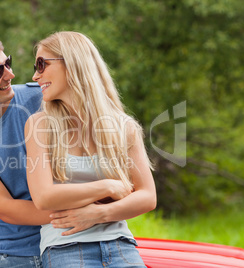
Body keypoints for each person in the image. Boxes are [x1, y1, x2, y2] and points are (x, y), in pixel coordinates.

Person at [0, 32, 131, 268]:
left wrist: (98, 212)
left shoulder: (44, 96)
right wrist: (89, 210)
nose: (10, 74)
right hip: (14, 254)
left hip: (74, 242)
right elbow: (8, 209)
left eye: (7, 63)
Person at [25, 31, 157, 267]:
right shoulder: (40, 125)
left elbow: (147, 197)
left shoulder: (124, 127)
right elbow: (44, 197)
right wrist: (109, 186)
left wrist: (100, 214)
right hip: (65, 247)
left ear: (72, 62)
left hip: (120, 243)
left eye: (42, 64)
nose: (36, 75)